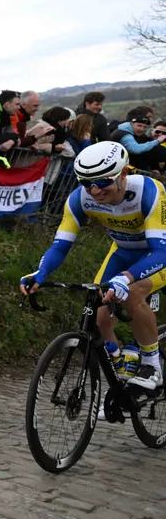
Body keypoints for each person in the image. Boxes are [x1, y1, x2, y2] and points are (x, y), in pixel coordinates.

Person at [22, 141, 166, 394]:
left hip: (159, 252)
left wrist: (127, 277)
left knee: (132, 293)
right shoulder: (80, 199)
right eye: (86, 183)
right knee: (98, 315)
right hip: (123, 251)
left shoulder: (148, 191)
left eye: (102, 182)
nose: (95, 190)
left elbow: (160, 250)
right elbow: (60, 247)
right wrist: (40, 273)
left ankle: (152, 365)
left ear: (123, 174)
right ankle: (121, 372)